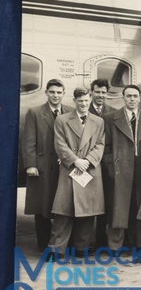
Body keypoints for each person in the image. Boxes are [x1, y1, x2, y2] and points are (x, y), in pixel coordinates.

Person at [48, 88, 105, 257]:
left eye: (87, 100)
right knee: (64, 211)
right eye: (80, 101)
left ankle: (82, 247)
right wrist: (75, 160)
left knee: (88, 211)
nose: (84, 104)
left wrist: (88, 160)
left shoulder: (99, 121)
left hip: (89, 169)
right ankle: (56, 249)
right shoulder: (62, 120)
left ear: (91, 100)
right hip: (70, 168)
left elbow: (101, 144)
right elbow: (59, 143)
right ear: (74, 101)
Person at [103, 85, 141, 252]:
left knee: (140, 205)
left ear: (140, 99)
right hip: (120, 168)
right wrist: (110, 165)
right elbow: (106, 146)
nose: (132, 99)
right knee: (118, 207)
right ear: (123, 98)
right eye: (128, 96)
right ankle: (115, 245)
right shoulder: (110, 118)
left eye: (135, 96)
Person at [22, 79, 72, 250]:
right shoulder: (35, 112)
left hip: (63, 167)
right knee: (42, 205)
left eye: (59, 92)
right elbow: (29, 141)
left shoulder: (69, 112)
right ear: (46, 93)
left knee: (63, 205)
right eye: (52, 92)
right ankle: (44, 244)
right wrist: (31, 164)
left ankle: (62, 243)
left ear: (64, 93)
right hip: (42, 167)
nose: (55, 95)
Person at [88, 78, 116, 248]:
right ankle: (83, 240)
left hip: (105, 165)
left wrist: (108, 162)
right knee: (86, 201)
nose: (100, 95)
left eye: (103, 92)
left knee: (105, 201)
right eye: (97, 92)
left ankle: (101, 238)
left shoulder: (113, 113)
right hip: (87, 163)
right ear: (91, 92)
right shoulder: (83, 108)